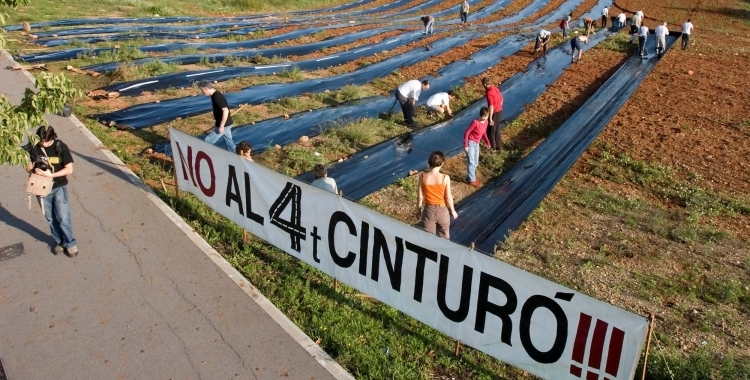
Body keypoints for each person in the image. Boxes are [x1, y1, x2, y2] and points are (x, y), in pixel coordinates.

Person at [25, 126, 78, 257]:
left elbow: (69, 169)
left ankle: (70, 243)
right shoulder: (33, 146)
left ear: (52, 137)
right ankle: (59, 241)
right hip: (41, 188)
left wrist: (51, 175)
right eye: (41, 141)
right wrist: (32, 168)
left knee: (63, 218)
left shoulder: (60, 147)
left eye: (46, 142)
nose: (43, 144)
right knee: (50, 218)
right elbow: (27, 167)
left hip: (58, 186)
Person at [416, 151, 457, 239]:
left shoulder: (422, 177)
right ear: (442, 163)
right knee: (444, 236)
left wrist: (418, 209)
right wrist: (452, 210)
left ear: (429, 162)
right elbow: (448, 197)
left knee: (428, 239)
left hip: (428, 211)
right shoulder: (445, 178)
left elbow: (420, 197)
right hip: (442, 210)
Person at [198, 81, 237, 152]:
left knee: (208, 141)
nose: (202, 92)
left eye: (202, 90)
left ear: (206, 88)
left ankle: (202, 155)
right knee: (229, 142)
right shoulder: (214, 95)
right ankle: (237, 155)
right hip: (226, 123)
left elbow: (225, 110)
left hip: (224, 125)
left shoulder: (217, 96)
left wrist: (221, 126)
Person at [463, 107, 491, 187]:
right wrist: (466, 145)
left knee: (475, 162)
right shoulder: (475, 122)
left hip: (477, 143)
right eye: (484, 116)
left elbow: (483, 133)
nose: (485, 118)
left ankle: (470, 176)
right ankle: (472, 180)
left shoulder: (485, 122)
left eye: (487, 116)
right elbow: (467, 133)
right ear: (480, 115)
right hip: (471, 143)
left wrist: (487, 142)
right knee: (471, 162)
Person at [482, 77, 503, 151]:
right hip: (500, 111)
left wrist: (490, 118)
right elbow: (501, 99)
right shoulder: (495, 89)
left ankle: (492, 147)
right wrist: (499, 106)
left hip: (494, 112)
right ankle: (499, 146)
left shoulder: (489, 92)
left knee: (491, 130)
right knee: (497, 129)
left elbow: (491, 106)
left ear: (485, 84)